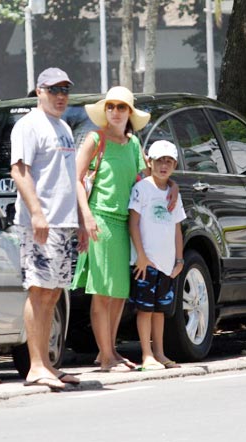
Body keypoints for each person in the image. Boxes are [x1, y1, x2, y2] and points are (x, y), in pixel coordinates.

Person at [72, 86, 177, 373]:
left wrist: (174, 186)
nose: (115, 112)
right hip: (102, 220)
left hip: (125, 224)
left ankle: (110, 351)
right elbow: (77, 179)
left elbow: (148, 176)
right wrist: (87, 216)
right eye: (111, 107)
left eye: (121, 107)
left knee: (119, 292)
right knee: (102, 291)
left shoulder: (133, 144)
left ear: (129, 113)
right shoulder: (95, 139)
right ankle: (106, 357)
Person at [10, 67, 84, 391]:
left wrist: (81, 221)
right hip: (41, 223)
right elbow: (19, 171)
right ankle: (35, 366)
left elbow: (71, 179)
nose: (60, 96)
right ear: (39, 91)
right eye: (54, 90)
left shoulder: (64, 127)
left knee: (54, 293)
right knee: (38, 289)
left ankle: (49, 365)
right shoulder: (28, 125)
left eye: (65, 90)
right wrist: (37, 213)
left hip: (65, 223)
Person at [129, 140, 186, 371]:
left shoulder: (173, 193)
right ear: (150, 162)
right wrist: (141, 256)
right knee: (145, 309)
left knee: (160, 310)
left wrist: (179, 260)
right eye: (160, 160)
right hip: (146, 262)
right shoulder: (142, 189)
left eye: (169, 161)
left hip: (167, 263)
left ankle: (160, 353)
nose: (164, 166)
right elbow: (133, 223)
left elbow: (177, 228)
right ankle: (146, 354)